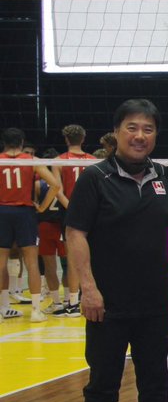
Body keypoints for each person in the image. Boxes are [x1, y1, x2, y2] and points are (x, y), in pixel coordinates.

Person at [66, 100, 168, 402]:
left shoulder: (164, 176)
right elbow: (76, 233)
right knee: (102, 384)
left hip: (154, 303)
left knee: (155, 380)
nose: (140, 136)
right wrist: (88, 288)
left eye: (148, 129)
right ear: (116, 132)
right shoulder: (95, 178)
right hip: (106, 305)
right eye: (132, 128)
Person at [0, 128, 61, 322]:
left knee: (0, 262)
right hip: (24, 212)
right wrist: (42, 207)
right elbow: (55, 185)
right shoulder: (31, 161)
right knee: (32, 262)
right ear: (21, 141)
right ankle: (36, 310)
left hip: (2, 211)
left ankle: (2, 308)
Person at [51, 124, 97, 317]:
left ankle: (73, 301)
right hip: (94, 212)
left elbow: (57, 189)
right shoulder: (94, 160)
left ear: (66, 140)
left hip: (70, 213)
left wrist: (73, 209)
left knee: (73, 257)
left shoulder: (58, 161)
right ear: (83, 139)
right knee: (95, 255)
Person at [35, 148, 66, 314]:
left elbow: (32, 203)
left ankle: (56, 302)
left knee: (49, 267)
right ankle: (70, 299)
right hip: (61, 225)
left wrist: (39, 208)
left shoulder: (39, 185)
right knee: (69, 266)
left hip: (45, 226)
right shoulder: (64, 183)